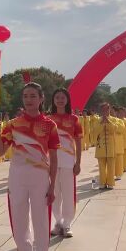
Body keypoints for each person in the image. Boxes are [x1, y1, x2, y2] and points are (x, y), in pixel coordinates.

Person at [0, 82, 60, 251]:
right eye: (25, 96)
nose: (28, 99)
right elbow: (1, 151)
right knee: (20, 224)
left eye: (32, 96)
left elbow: (54, 159)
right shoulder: (12, 124)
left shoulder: (49, 125)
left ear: (41, 99)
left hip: (40, 178)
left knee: (40, 223)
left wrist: (52, 185)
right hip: (17, 177)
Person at [48, 88, 82, 238]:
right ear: (53, 100)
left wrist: (78, 163)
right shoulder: (48, 119)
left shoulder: (74, 119)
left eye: (63, 97)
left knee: (68, 194)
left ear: (67, 100)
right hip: (51, 163)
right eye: (57, 97)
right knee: (54, 194)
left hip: (68, 162)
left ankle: (67, 224)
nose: (60, 100)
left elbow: (79, 142)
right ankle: (58, 222)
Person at [93, 103, 116, 189]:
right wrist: (102, 123)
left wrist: (108, 121)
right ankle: (102, 182)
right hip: (100, 147)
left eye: (106, 109)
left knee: (111, 166)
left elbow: (114, 130)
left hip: (111, 147)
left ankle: (110, 183)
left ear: (109, 109)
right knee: (101, 167)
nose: (105, 111)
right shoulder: (97, 120)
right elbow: (95, 131)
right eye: (103, 109)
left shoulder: (114, 119)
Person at [113, 107, 126, 181]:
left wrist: (115, 125)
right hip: (111, 143)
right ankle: (111, 174)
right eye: (120, 113)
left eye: (122, 113)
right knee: (111, 161)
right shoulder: (110, 120)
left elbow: (122, 130)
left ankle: (118, 174)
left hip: (119, 143)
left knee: (119, 160)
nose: (122, 114)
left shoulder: (121, 121)